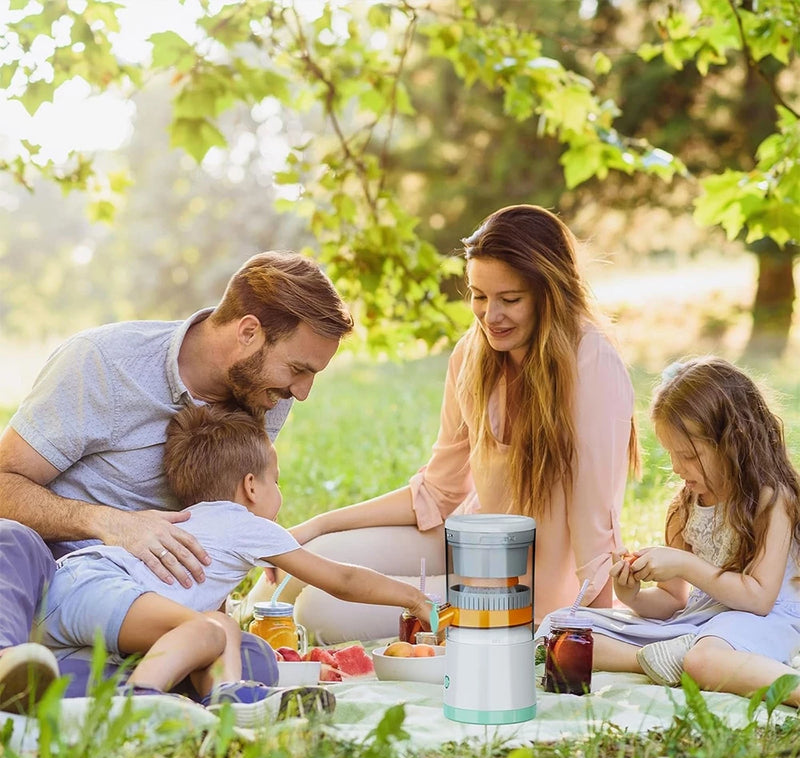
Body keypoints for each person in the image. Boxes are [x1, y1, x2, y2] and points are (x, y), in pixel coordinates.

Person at [265, 204, 638, 643]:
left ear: (548, 293)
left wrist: (590, 634)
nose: (490, 316)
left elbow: (596, 521)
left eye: (510, 300)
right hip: (468, 544)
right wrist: (318, 525)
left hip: (526, 591)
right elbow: (438, 492)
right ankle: (233, 643)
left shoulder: (591, 362)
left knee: (323, 611)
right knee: (311, 556)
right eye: (479, 296)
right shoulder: (473, 354)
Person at [0, 250, 354, 714]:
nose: (302, 391)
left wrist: (212, 616)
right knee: (10, 542)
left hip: (143, 609)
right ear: (248, 332)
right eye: (299, 369)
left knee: (251, 659)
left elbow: (226, 513)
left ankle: (68, 687)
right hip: (51, 583)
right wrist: (110, 523)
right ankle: (10, 661)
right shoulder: (104, 363)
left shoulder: (266, 394)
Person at [38, 404, 432, 724]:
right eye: (278, 482)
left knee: (222, 627)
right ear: (250, 486)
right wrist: (414, 599)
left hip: (70, 592)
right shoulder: (244, 524)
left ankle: (229, 700)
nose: (279, 494)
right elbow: (342, 579)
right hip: (98, 584)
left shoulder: (198, 519)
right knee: (207, 631)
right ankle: (141, 704)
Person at [536, 357, 800, 705]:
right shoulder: (685, 507)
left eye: (689, 455)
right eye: (672, 454)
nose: (677, 467)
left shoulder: (771, 500)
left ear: (733, 443)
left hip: (764, 620)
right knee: (557, 629)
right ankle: (662, 659)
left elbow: (759, 600)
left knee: (704, 660)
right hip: (698, 623)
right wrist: (630, 594)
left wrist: (685, 565)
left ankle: (782, 686)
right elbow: (672, 601)